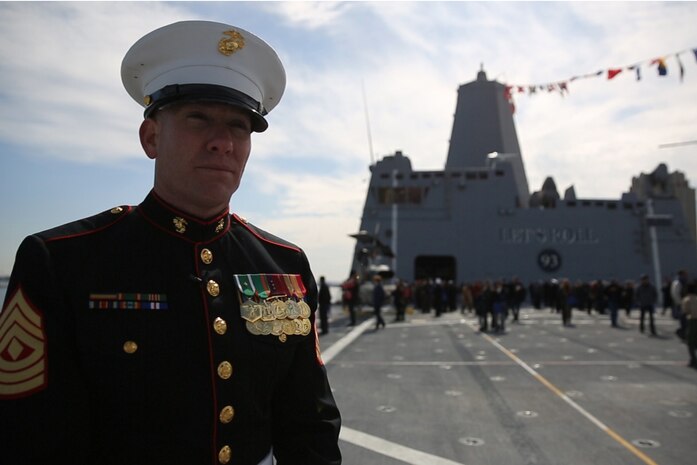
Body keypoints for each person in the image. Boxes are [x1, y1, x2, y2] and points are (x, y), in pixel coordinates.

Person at [0, 21, 341, 465]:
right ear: (151, 137)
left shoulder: (286, 265)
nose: (222, 142)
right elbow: (29, 433)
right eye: (198, 118)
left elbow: (309, 425)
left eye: (239, 127)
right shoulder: (62, 261)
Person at [681, 281, 697, 368]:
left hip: (692, 320)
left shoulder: (687, 299)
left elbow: (685, 311)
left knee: (690, 341)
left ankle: (693, 359)